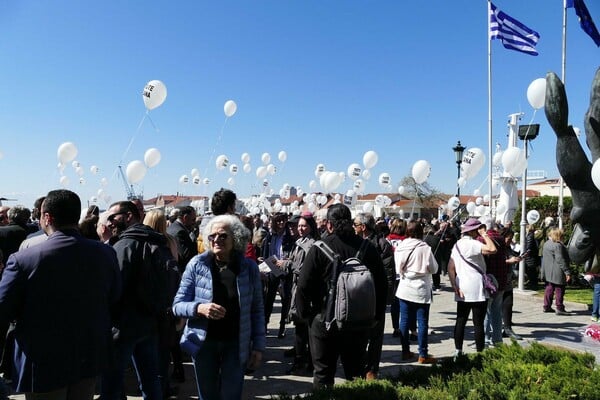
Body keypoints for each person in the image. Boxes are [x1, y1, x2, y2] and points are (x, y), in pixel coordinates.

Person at [0, 189, 121, 398]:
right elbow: (114, 297)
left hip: (43, 359)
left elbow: (3, 308)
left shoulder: (23, 259)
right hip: (88, 353)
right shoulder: (106, 253)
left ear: (47, 217)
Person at [172, 214, 265, 400]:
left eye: (222, 236)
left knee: (231, 394)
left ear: (236, 238)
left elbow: (257, 309)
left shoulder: (249, 268)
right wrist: (199, 308)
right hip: (204, 343)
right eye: (212, 236)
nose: (216, 240)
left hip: (235, 343)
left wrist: (259, 346)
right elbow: (177, 305)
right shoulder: (197, 265)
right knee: (207, 395)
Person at [296, 204, 387, 389]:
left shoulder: (319, 248)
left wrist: (307, 317)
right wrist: (375, 317)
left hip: (324, 321)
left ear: (329, 224)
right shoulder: (367, 248)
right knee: (356, 376)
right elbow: (382, 286)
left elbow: (303, 287)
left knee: (323, 375)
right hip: (358, 322)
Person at [101, 200, 171, 400]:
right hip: (150, 323)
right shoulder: (158, 240)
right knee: (150, 381)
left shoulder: (124, 245)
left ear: (129, 216)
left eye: (113, 217)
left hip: (123, 326)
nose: (109, 222)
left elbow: (114, 287)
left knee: (112, 384)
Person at [143, 209, 182, 396]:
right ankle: (163, 386)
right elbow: (175, 267)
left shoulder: (143, 243)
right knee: (164, 349)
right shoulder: (169, 241)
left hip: (150, 303)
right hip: (168, 300)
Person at [448, 218, 496, 359]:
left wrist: (454, 286)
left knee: (461, 320)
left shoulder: (457, 245)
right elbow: (492, 249)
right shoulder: (473, 244)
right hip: (476, 286)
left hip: (462, 285)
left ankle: (458, 350)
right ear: (475, 230)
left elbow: (450, 268)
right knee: (478, 322)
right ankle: (480, 352)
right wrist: (485, 235)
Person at [353, 212, 393, 379]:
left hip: (376, 295)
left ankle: (372, 369)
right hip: (357, 294)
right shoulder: (353, 243)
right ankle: (358, 365)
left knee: (375, 335)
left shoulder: (382, 244)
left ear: (362, 227)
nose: (353, 228)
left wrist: (386, 298)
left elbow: (389, 273)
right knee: (358, 333)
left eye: (355, 225)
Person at [394, 220, 438, 364]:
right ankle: (423, 354)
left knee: (404, 320)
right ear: (420, 232)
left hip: (405, 286)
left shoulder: (401, 246)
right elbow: (434, 269)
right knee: (422, 321)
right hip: (421, 287)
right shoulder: (425, 248)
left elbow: (397, 269)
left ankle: (405, 351)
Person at [285, 213, 319, 375]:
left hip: (304, 291)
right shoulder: (300, 242)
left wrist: (285, 264)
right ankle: (303, 360)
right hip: (297, 288)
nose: (300, 228)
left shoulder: (310, 245)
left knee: (303, 327)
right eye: (299, 225)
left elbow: (301, 268)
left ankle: (304, 362)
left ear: (311, 226)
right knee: (301, 328)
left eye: (304, 225)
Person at [541, 227, 571, 315]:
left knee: (549, 288)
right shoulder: (557, 245)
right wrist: (567, 272)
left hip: (548, 270)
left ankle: (547, 306)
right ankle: (560, 308)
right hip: (558, 271)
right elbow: (560, 259)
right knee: (559, 289)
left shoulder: (547, 244)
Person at [501, 227, 523, 340]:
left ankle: (507, 328)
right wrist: (509, 261)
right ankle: (502, 328)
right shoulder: (498, 246)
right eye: (508, 238)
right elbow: (497, 261)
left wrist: (516, 257)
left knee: (508, 304)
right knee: (500, 305)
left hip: (508, 279)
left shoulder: (507, 247)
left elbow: (509, 255)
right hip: (500, 279)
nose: (510, 241)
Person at [386, 218, 407, 337]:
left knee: (394, 304)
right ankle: (406, 326)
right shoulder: (407, 242)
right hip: (403, 275)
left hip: (392, 275)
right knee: (404, 303)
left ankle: (396, 327)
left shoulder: (386, 240)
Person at [524, 224, 541, 289]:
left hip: (530, 255)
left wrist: (525, 250)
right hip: (531, 255)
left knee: (531, 269)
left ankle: (533, 283)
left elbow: (529, 244)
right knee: (532, 270)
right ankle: (532, 282)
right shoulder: (532, 235)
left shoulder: (530, 235)